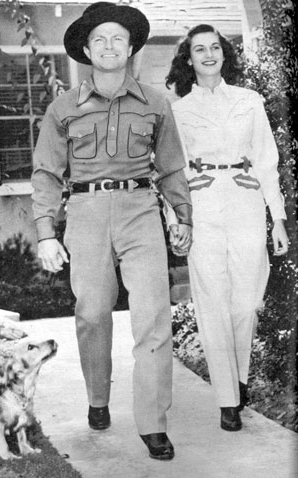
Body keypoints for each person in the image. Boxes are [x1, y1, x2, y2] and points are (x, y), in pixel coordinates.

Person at [31, 2, 192, 460]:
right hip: (84, 211)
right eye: (99, 39)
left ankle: (153, 423)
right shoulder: (63, 108)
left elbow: (172, 167)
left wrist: (183, 217)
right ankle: (97, 398)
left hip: (141, 209)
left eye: (117, 39)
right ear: (85, 49)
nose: (108, 46)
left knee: (154, 318)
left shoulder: (156, 103)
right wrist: (46, 231)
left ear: (130, 49)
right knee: (93, 314)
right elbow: (45, 173)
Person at [165, 24, 289, 431]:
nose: (208, 54)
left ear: (224, 54)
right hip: (202, 205)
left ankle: (238, 377)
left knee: (247, 300)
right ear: (188, 59)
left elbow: (267, 160)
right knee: (212, 299)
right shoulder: (179, 110)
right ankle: (227, 401)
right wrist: (178, 218)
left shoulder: (249, 101)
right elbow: (171, 170)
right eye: (199, 49)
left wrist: (278, 219)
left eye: (214, 47)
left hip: (246, 201)